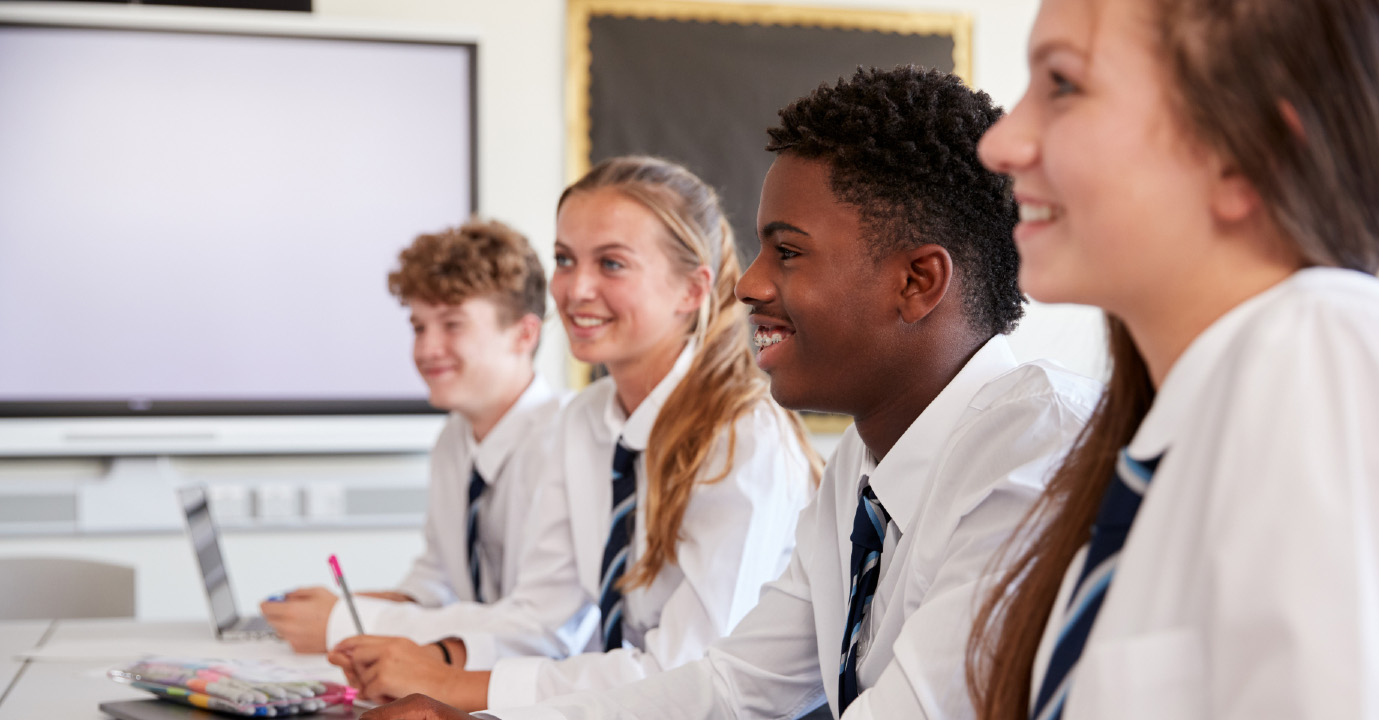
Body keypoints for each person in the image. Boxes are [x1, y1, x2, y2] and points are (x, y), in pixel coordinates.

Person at [355, 65, 1100, 720]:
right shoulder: (865, 469)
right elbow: (733, 687)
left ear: (917, 282)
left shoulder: (1033, 458)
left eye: (788, 252)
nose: (749, 284)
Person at [961, 0, 1379, 718]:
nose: (999, 143)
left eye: (1062, 84)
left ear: (1252, 152)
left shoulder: (1326, 358)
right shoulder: (1169, 444)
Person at [328, 156, 824, 711]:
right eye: (565, 259)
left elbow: (689, 672)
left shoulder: (742, 440)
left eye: (611, 264)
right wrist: (432, 660)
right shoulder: (585, 420)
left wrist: (452, 685)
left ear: (691, 290)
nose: (575, 289)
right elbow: (543, 620)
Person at [258, 219, 590, 660]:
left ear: (524, 334)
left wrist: (347, 625)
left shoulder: (568, 443)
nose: (426, 349)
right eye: (418, 327)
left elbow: (538, 629)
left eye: (452, 325)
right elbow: (439, 585)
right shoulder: (455, 439)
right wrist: (352, 609)